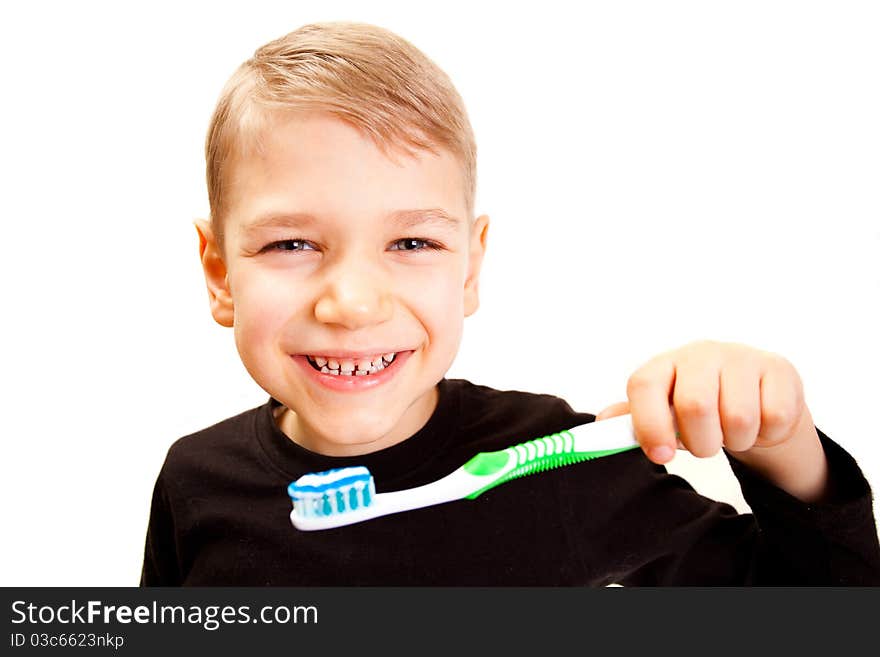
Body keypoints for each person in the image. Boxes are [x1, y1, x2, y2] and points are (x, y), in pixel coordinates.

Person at [141, 21, 880, 585]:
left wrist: (785, 447)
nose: (353, 303)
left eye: (412, 245)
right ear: (219, 273)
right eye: (292, 245)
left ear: (471, 266)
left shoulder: (552, 466)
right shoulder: (195, 481)